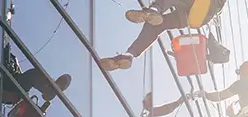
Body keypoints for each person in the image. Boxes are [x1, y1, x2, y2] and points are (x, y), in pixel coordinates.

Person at [97, 0, 227, 71]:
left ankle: (152, 11)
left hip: (203, 4)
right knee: (155, 26)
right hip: (197, 17)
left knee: (160, 10)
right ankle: (129, 55)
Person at [0, 45, 73, 117]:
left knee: (32, 76)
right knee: (32, 76)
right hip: (11, 88)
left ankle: (50, 89)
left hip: (10, 88)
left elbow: (17, 112)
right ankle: (50, 89)